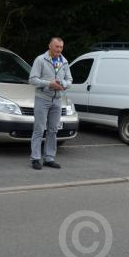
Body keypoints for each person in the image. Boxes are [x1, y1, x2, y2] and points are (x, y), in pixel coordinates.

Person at [28, 37, 72, 170]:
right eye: (56, 47)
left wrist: (62, 84)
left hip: (57, 100)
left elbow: (69, 80)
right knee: (39, 129)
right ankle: (35, 158)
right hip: (43, 98)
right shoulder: (40, 59)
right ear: (50, 46)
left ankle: (49, 158)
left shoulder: (64, 62)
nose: (59, 50)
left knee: (53, 130)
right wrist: (49, 83)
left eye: (61, 47)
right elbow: (32, 79)